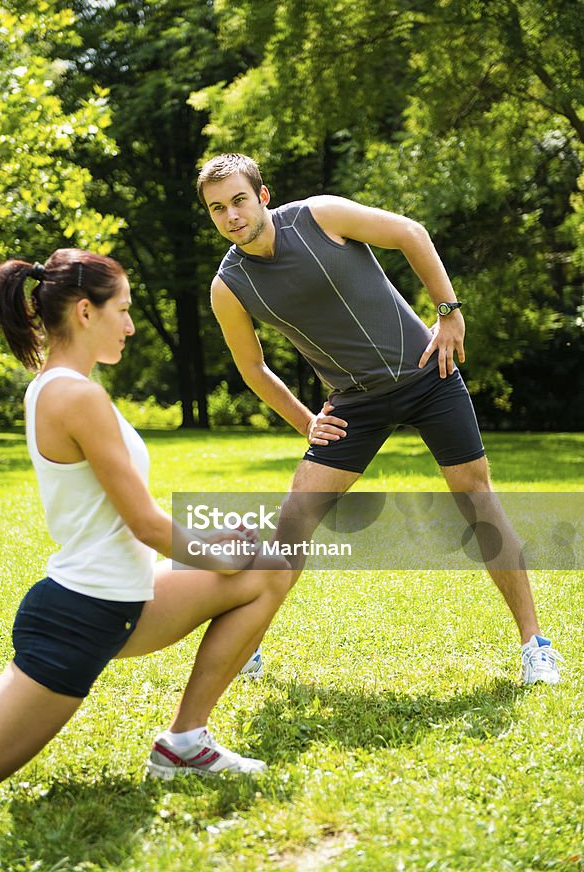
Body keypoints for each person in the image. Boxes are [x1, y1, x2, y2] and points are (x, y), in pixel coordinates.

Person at [0, 248, 292, 793]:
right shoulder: (75, 396)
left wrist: (214, 546)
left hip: (123, 600)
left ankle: (184, 743)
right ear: (86, 312)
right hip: (79, 618)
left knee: (273, 565)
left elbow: (116, 523)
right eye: (124, 310)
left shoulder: (57, 386)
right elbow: (146, 525)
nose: (131, 326)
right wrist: (216, 550)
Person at [198, 153, 562, 687]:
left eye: (238, 200)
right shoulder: (228, 285)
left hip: (427, 373)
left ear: (263, 196)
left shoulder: (320, 215)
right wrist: (305, 422)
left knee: (476, 498)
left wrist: (448, 311)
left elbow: (411, 233)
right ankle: (245, 648)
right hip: (354, 403)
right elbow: (252, 367)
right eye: (217, 208)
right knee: (294, 522)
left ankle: (535, 645)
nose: (231, 215)